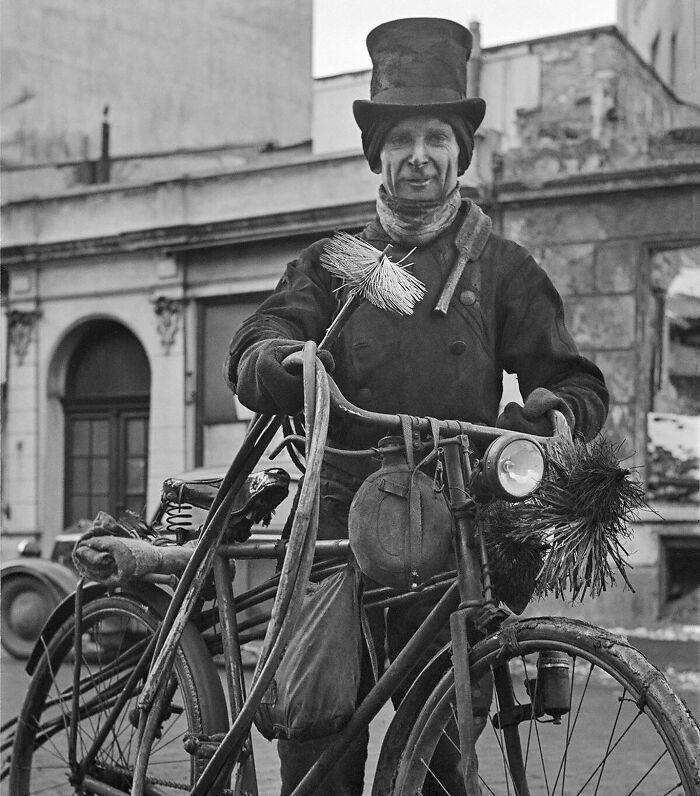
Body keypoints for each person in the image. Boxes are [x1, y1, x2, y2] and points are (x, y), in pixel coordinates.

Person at [225, 17, 609, 795]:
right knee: (317, 740)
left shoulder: (502, 271)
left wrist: (555, 410)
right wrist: (282, 361)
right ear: (378, 154)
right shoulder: (332, 264)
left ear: (460, 153)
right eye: (401, 139)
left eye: (436, 137)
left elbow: (579, 384)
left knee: (439, 755)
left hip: (451, 527)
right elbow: (254, 344)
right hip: (337, 526)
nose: (419, 156)